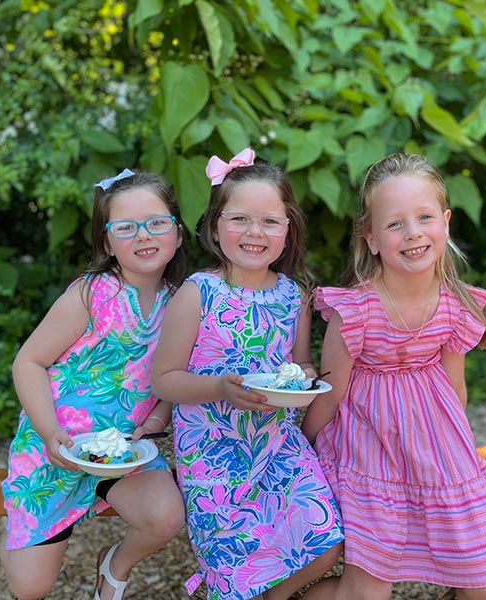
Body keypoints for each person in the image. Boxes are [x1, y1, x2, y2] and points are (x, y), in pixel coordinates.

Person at [301, 153, 486, 600]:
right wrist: (302, 450)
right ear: (371, 238)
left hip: (437, 447)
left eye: (424, 217)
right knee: (368, 591)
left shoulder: (455, 305)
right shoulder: (355, 311)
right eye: (395, 224)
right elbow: (330, 396)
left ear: (446, 223)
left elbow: (455, 390)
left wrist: (458, 460)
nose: (412, 232)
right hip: (368, 447)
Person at [151, 148, 344, 600]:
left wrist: (305, 383)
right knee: (235, 570)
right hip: (214, 456)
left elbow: (302, 364)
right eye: (239, 219)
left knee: (326, 540)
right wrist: (219, 387)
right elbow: (164, 379)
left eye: (270, 221)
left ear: (288, 228)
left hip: (279, 444)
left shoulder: (294, 296)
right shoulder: (198, 294)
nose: (255, 232)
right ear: (216, 225)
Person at [0, 169, 187, 600]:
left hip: (122, 451)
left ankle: (114, 566)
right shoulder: (92, 294)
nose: (144, 235)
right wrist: (49, 435)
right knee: (29, 589)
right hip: (59, 445)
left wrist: (156, 419)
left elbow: (168, 379)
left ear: (177, 233)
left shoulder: (181, 301)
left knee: (164, 517)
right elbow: (28, 361)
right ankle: (17, 531)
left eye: (157, 223)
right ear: (107, 242)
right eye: (126, 227)